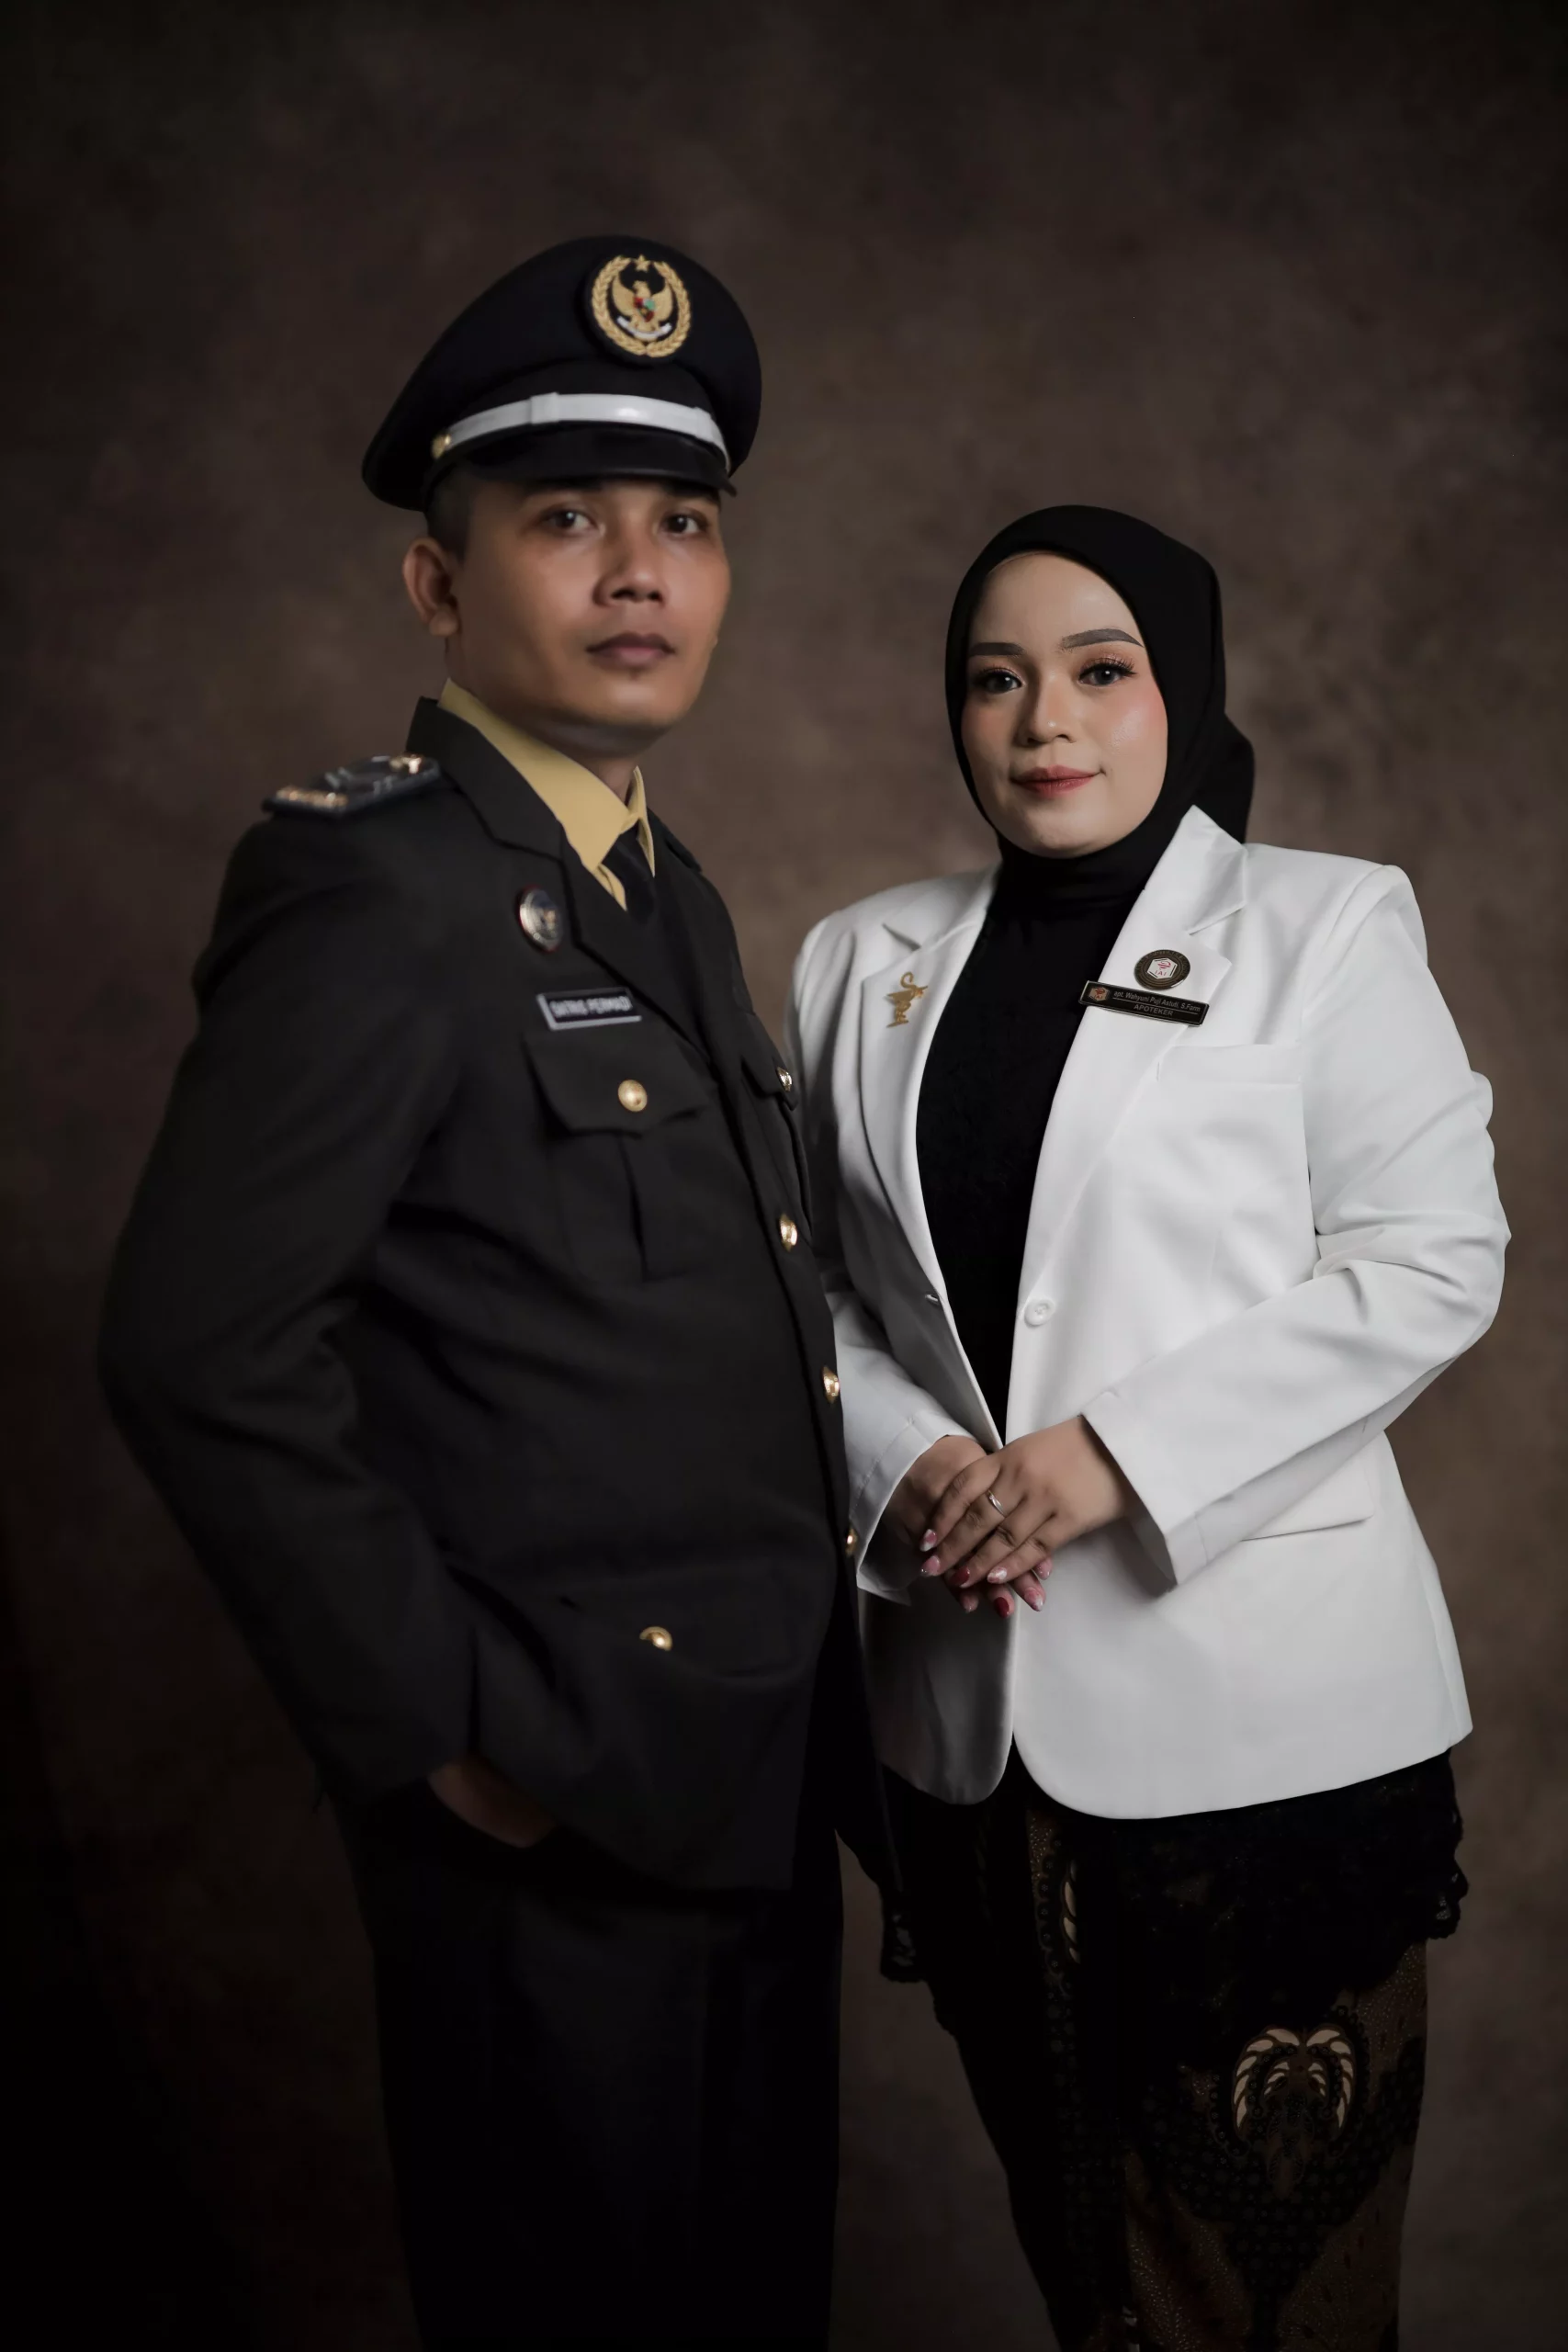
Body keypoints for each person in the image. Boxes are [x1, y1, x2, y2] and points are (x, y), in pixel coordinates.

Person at [98, 235, 885, 2349]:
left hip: (739, 1781)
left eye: (684, 522)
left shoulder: (662, 887)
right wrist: (441, 1728)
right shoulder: (375, 884)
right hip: (548, 1811)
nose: (640, 572)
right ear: (437, 587)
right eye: (565, 520)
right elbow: (195, 1345)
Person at [786, 505, 1506, 2348]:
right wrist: (902, 1461)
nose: (1046, 720)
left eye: (1099, 670)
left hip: (1265, 1752)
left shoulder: (1321, 925)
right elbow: (805, 1291)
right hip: (968, 1740)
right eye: (995, 678)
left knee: (1267, 2310)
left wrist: (1114, 1456)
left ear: (1179, 686)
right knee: (1092, 2290)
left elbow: (1431, 1255)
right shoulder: (859, 959)